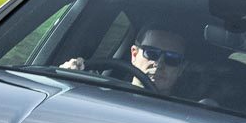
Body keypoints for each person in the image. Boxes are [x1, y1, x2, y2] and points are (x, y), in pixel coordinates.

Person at [61, 25, 191, 95]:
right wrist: (66, 76)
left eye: (172, 58)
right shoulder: (95, 92)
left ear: (181, 69)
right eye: (151, 53)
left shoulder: (190, 116)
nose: (159, 64)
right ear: (134, 54)